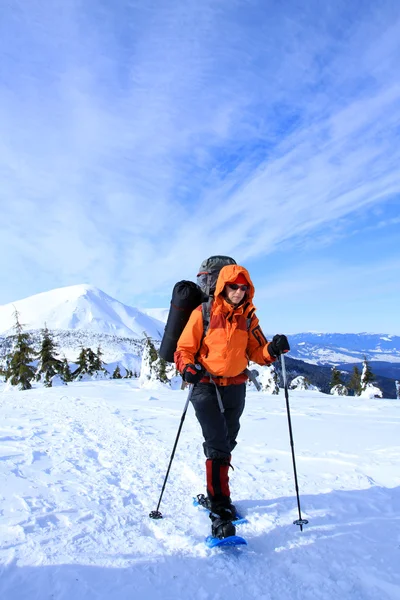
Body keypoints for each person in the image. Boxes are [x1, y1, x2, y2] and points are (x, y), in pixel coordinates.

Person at [174, 264, 290, 539]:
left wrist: (272, 349)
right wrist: (187, 367)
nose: (238, 292)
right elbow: (184, 349)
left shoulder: (248, 318)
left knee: (228, 441)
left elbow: (257, 353)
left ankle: (217, 492)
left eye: (243, 287)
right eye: (233, 286)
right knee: (217, 444)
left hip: (236, 386)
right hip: (204, 385)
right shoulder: (202, 313)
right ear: (222, 286)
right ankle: (220, 507)